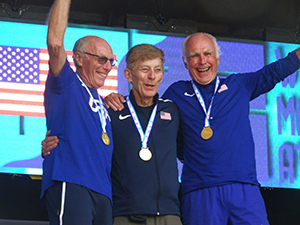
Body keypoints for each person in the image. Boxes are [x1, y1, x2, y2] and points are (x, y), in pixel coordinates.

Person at [104, 32, 300, 225]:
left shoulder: (239, 85)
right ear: (185, 62)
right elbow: (148, 117)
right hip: (199, 191)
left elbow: (277, 70)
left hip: (243, 188)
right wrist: (115, 98)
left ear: (217, 58)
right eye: (194, 56)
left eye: (207, 54)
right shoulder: (176, 94)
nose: (202, 61)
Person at [42, 44, 183, 225]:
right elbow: (82, 135)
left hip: (168, 214)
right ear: (128, 75)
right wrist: (50, 145)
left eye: (157, 70)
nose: (152, 76)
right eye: (145, 69)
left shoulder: (172, 110)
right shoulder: (112, 110)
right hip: (124, 214)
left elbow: (190, 148)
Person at [42, 0, 115, 224]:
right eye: (101, 59)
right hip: (71, 181)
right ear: (79, 58)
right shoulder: (67, 84)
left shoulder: (104, 102)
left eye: (111, 61)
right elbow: (55, 43)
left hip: (102, 192)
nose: (107, 66)